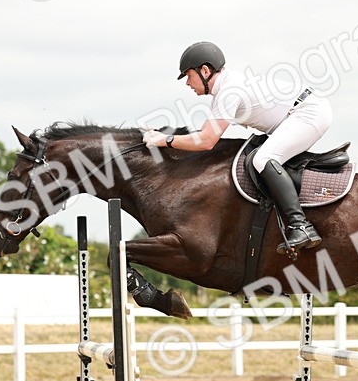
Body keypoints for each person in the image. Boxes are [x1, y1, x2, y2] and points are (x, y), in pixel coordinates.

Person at [142, 41, 332, 254]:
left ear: (205, 70)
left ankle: (301, 226)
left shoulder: (229, 91)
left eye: (188, 75)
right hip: (302, 112)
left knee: (262, 159)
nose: (187, 83)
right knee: (260, 156)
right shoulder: (226, 87)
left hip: (309, 113)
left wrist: (164, 140)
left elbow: (207, 140)